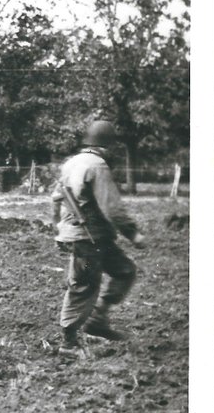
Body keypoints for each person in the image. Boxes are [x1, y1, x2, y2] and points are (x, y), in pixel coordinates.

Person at [51, 119, 146, 351]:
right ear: (106, 144)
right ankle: (68, 343)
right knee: (83, 285)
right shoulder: (97, 165)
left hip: (93, 237)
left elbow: (56, 198)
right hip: (88, 239)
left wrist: (58, 227)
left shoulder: (71, 163)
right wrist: (132, 233)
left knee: (124, 270)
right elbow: (112, 207)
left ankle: (97, 320)